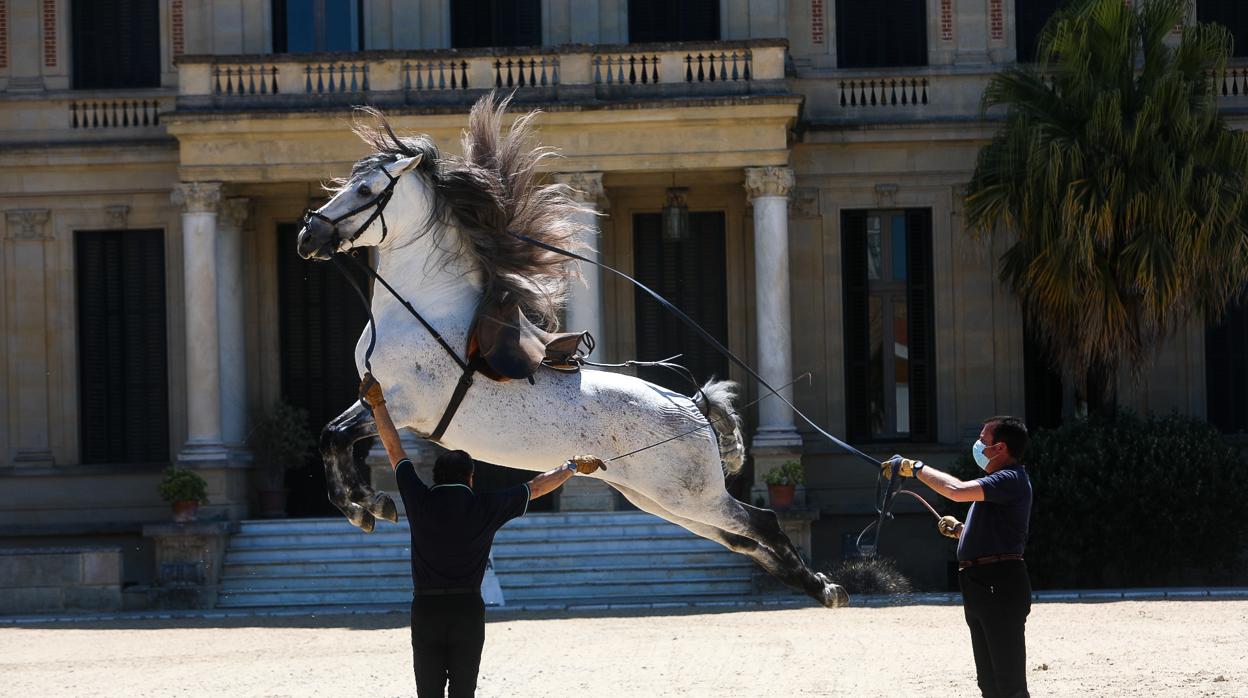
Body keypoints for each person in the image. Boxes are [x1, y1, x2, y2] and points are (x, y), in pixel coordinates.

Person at [361, 374, 604, 698]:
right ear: (470, 478)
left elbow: (393, 448)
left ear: (437, 476)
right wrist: (571, 466)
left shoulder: (419, 499)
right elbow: (536, 486)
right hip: (467, 608)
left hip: (426, 608)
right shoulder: (485, 507)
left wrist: (377, 404)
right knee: (464, 693)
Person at [884, 416, 1033, 698]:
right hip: (981, 584)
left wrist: (914, 468)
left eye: (983, 440)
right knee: (989, 683)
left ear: (1000, 448)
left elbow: (955, 491)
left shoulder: (1010, 478)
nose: (977, 445)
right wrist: (961, 530)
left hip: (998, 583)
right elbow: (999, 531)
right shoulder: (996, 484)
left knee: (1009, 685)